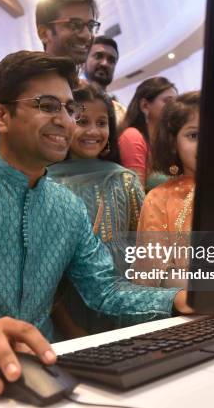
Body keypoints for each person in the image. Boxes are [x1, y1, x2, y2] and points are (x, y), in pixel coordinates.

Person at [0, 51, 191, 399]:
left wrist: (177, 299)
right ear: (2, 117)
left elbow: (104, 290)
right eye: (48, 105)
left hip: (48, 374)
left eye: (70, 109)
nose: (65, 121)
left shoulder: (67, 207)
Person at [47, 82, 145, 337]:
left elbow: (142, 250)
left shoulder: (125, 181)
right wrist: (68, 326)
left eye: (101, 123)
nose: (93, 131)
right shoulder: (46, 182)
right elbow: (45, 269)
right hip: (67, 304)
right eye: (82, 121)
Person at [137, 91, 200, 286]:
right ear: (173, 143)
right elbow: (156, 271)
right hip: (190, 310)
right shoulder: (160, 198)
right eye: (194, 135)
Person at [118, 76, 177, 189]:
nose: (175, 107)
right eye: (168, 101)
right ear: (145, 106)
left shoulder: (167, 138)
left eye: (176, 102)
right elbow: (135, 196)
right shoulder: (132, 136)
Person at [36, 0, 99, 67]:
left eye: (90, 26)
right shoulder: (35, 79)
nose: (87, 36)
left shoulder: (71, 78)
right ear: (44, 33)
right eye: (74, 25)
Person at [83, 35, 127, 124]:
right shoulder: (70, 99)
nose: (105, 63)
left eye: (111, 60)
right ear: (84, 60)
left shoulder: (121, 112)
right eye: (98, 56)